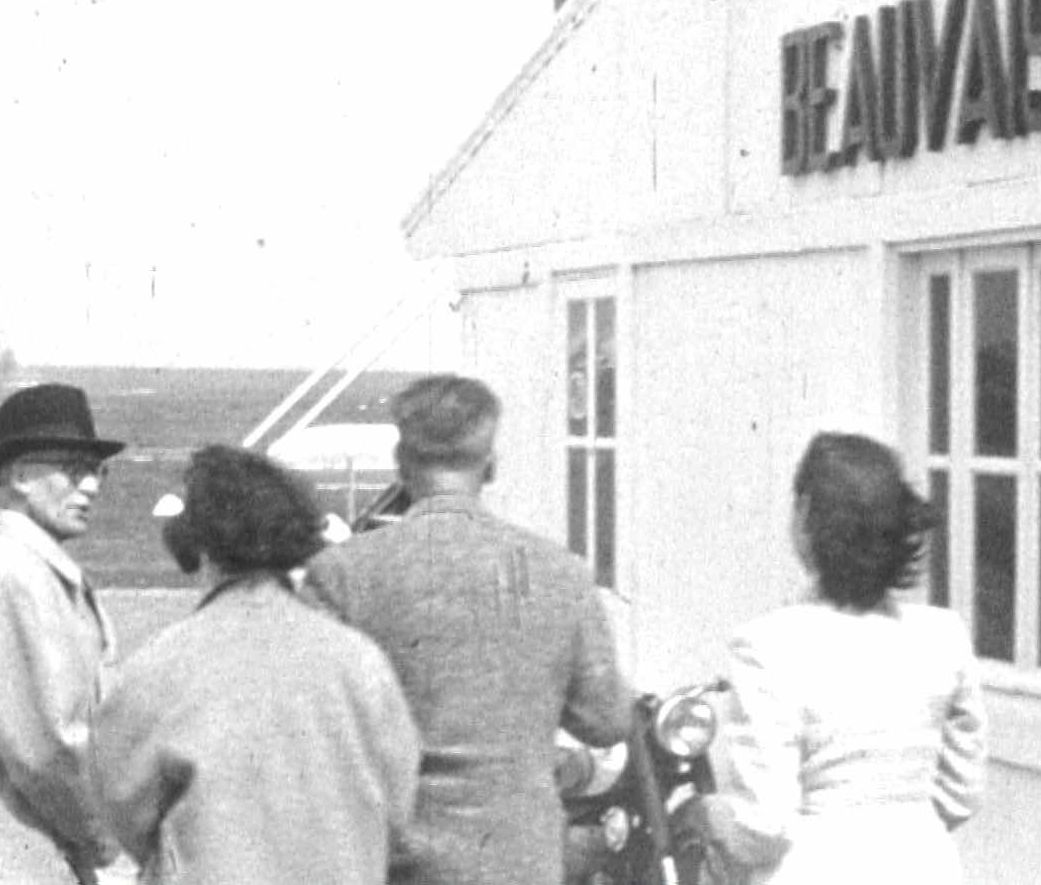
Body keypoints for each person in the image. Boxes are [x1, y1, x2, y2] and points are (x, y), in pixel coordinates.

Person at [301, 374, 634, 885]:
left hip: (387, 861)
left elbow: (311, 727)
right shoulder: (560, 572)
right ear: (491, 465)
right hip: (519, 859)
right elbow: (607, 719)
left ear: (401, 462)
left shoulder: (341, 573)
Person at [93, 445, 420, 884]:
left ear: (200, 544)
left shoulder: (158, 666)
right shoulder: (361, 662)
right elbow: (398, 803)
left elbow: (122, 803)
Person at [702, 432, 988, 885]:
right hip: (926, 866)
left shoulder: (768, 646)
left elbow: (764, 824)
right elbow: (963, 793)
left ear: (806, 520)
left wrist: (710, 815)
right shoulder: (943, 636)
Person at [0, 383, 130, 884]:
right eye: (73, 470)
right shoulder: (14, 575)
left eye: (96, 471)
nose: (90, 487)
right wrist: (112, 845)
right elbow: (47, 750)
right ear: (20, 476)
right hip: (13, 865)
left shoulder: (13, 567)